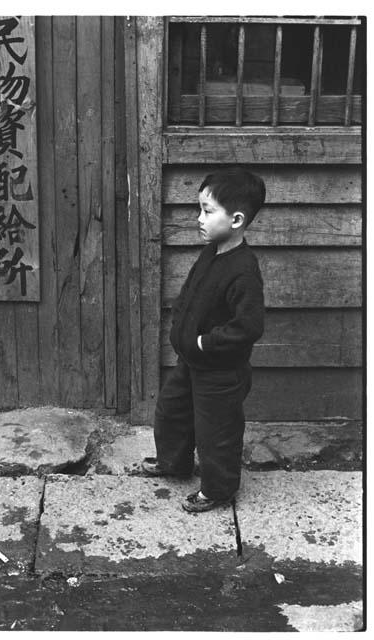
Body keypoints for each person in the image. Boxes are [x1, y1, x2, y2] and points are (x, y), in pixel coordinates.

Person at [142, 166, 266, 513]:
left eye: (208, 211)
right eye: (200, 209)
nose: (199, 218)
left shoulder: (243, 269)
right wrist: (181, 327)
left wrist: (205, 343)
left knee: (217, 432)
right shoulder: (211, 251)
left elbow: (249, 326)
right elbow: (191, 293)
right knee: (172, 411)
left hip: (220, 372)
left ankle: (218, 489)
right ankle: (174, 462)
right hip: (191, 361)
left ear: (237, 219)